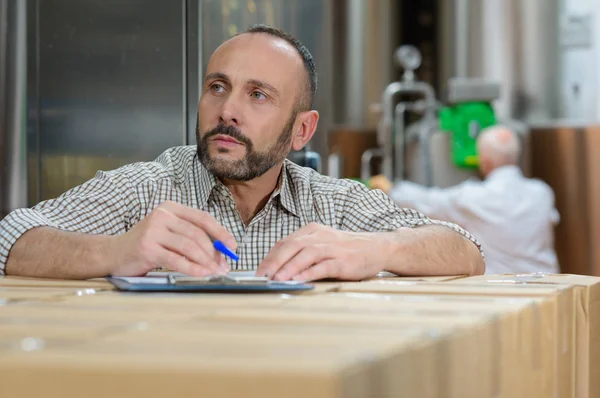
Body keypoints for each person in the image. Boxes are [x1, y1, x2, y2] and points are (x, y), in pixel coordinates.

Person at [0, 25, 484, 281]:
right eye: (217, 87)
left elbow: (466, 250)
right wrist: (115, 251)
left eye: (258, 95)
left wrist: (379, 248)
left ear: (301, 130)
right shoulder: (148, 188)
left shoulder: (333, 205)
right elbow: (10, 241)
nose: (227, 110)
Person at [370, 125, 559, 275]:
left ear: (484, 161)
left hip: (501, 290)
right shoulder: (542, 193)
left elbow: (427, 201)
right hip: (548, 285)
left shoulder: (473, 198)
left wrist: (391, 189)